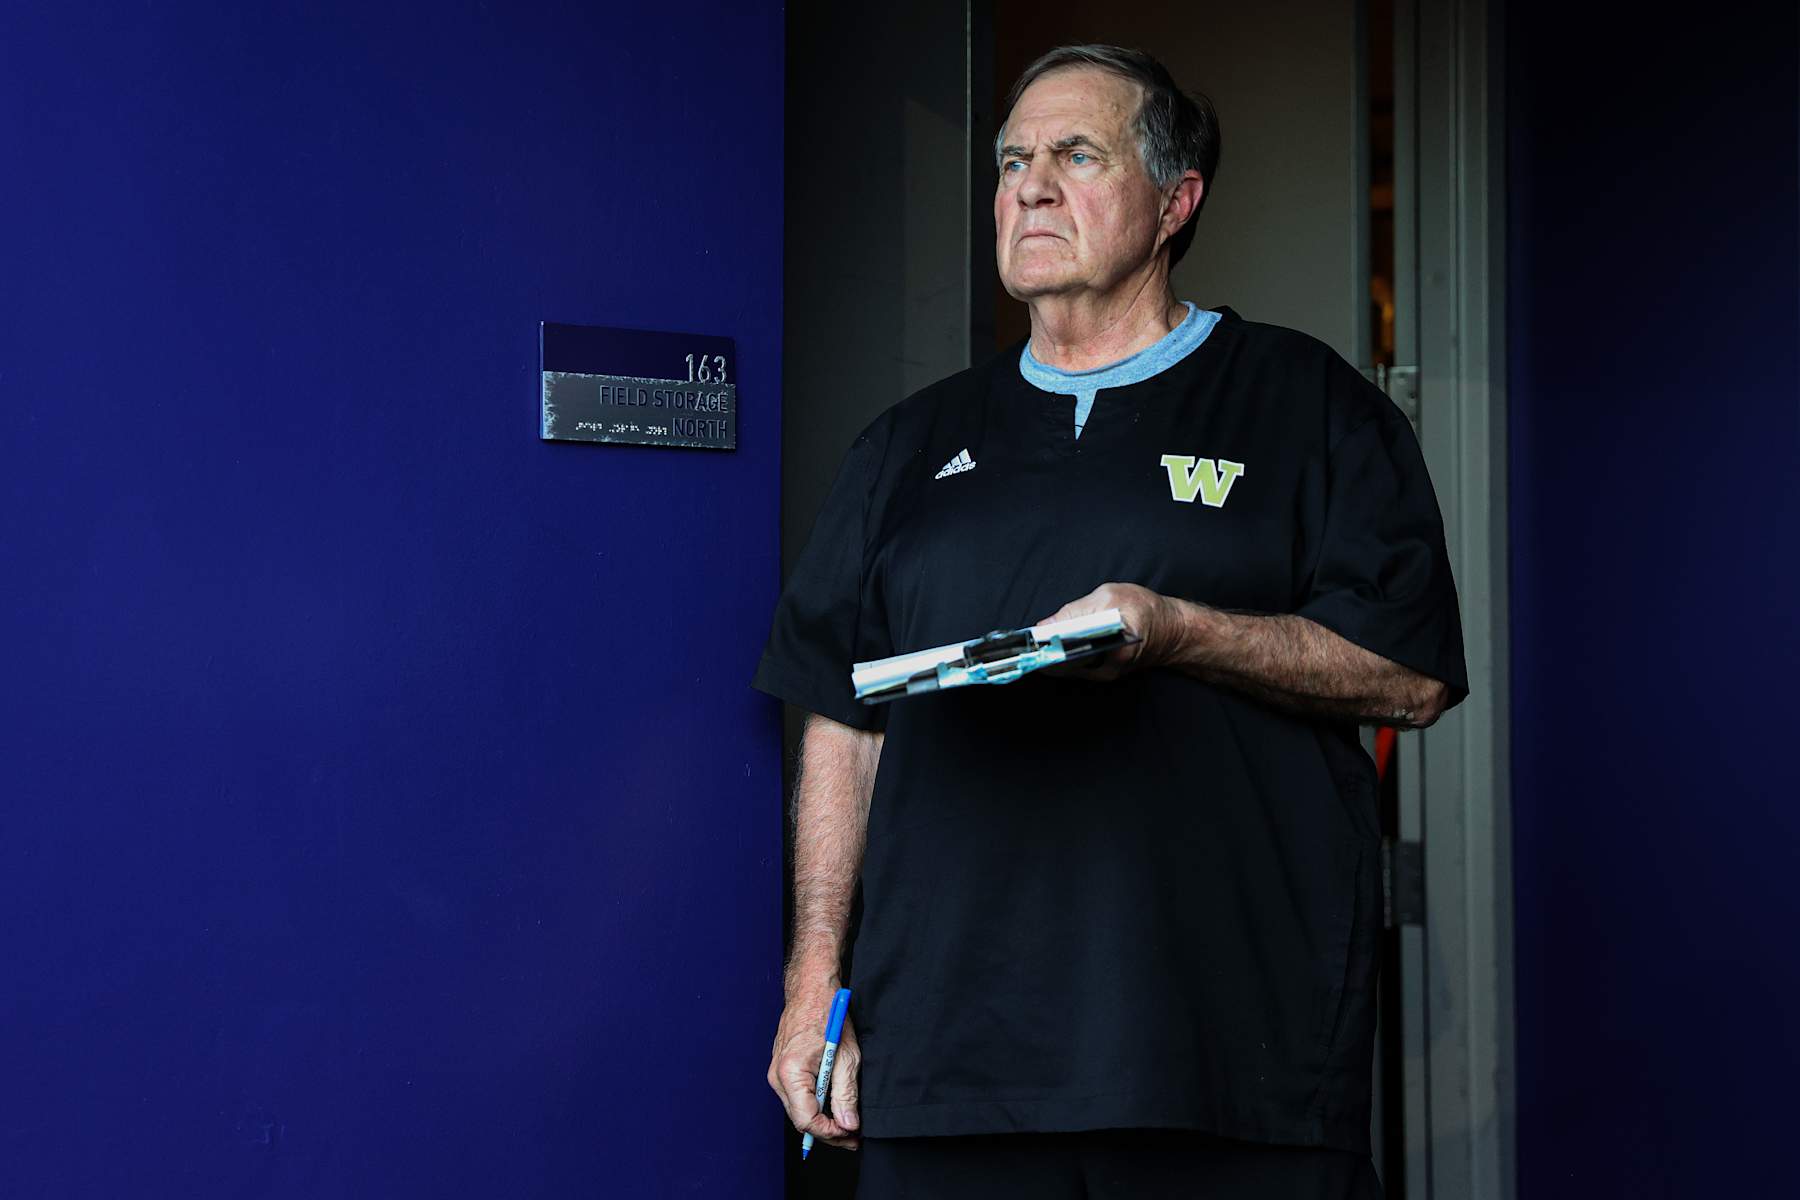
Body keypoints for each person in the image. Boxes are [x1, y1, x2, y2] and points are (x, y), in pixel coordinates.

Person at [754, 43, 1467, 1198]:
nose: (1030, 187)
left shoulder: (1308, 404)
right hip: (948, 1063)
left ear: (1176, 200)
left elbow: (1412, 673)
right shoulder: (906, 446)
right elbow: (843, 717)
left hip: (1232, 1064)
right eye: (1011, 162)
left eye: (1076, 155)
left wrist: (1181, 629)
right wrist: (812, 985)